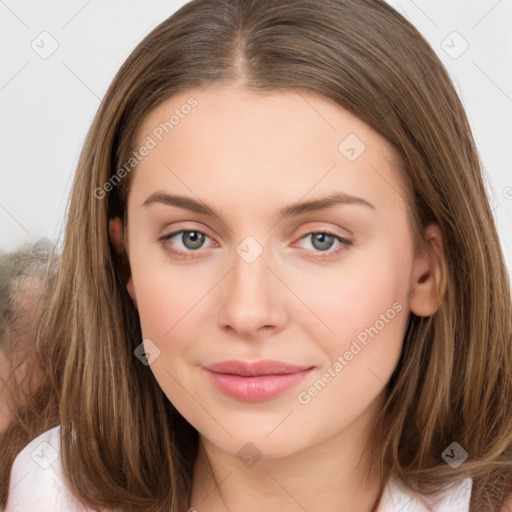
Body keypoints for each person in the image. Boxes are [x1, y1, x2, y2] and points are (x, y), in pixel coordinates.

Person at [1, 0, 511, 510]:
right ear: (125, 261)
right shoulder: (44, 490)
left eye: (321, 240)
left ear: (428, 270)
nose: (247, 312)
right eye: (190, 238)